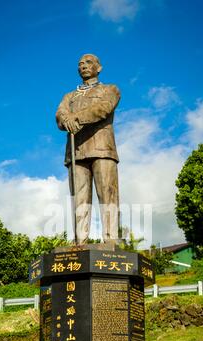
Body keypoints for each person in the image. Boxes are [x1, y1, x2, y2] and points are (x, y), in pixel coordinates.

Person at [56, 53, 120, 244]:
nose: (83, 66)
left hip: (102, 148)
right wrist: (65, 120)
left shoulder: (110, 89)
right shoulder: (70, 96)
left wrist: (75, 118)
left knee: (108, 195)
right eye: (80, 64)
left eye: (88, 62)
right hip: (76, 151)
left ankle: (111, 239)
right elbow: (60, 115)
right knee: (79, 199)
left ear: (98, 67)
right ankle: (80, 241)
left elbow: (103, 108)